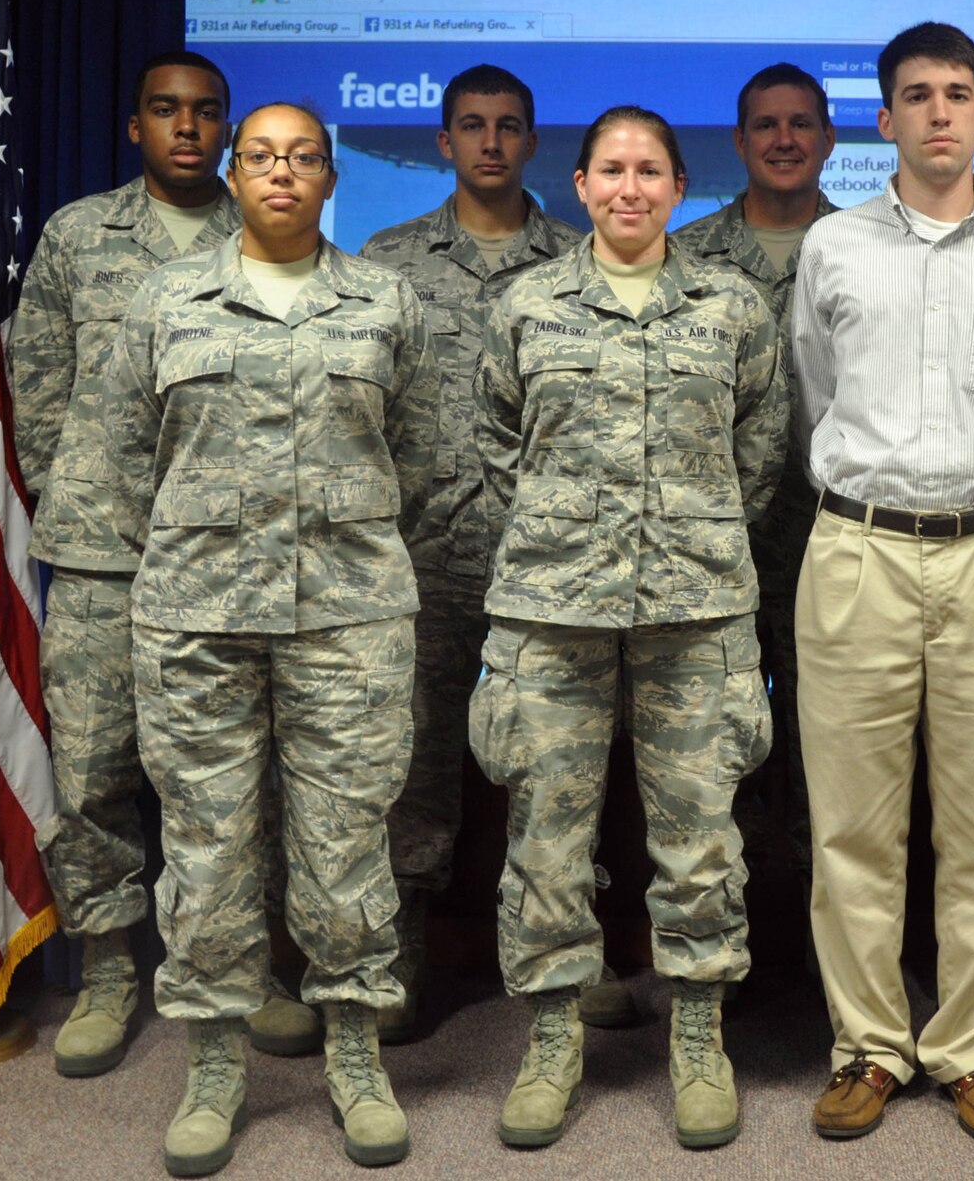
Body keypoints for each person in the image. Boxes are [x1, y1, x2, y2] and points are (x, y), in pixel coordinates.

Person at [108, 102, 438, 1175]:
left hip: (348, 615)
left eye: (302, 157)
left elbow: (423, 458)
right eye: (262, 157)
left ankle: (353, 1051)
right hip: (197, 617)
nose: (282, 172)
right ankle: (213, 1059)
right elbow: (116, 459)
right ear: (236, 175)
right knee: (206, 847)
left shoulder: (386, 300)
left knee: (345, 844)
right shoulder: (165, 300)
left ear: (330, 176)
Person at [471, 105, 786, 1152]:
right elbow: (494, 438)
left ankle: (697, 1031)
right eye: (610, 169)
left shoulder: (731, 305)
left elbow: (761, 443)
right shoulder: (526, 303)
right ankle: (554, 1033)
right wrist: (576, 530)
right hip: (551, 607)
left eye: (650, 170)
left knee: (699, 838)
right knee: (547, 839)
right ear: (579, 182)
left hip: (695, 608)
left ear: (678, 185)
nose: (629, 188)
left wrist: (683, 531)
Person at [11, 51, 319, 1077]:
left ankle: (252, 969)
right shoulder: (80, 236)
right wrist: (85, 495)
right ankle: (106, 964)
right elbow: (40, 387)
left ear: (231, 141)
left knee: (244, 776)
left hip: (241, 551)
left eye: (205, 114)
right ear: (136, 125)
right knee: (94, 766)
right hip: (108, 550)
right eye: (165, 110)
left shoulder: (276, 234)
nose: (186, 127)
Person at [792, 22, 974, 1145]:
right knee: (850, 825)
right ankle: (866, 1044)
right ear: (883, 118)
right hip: (855, 547)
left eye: (959, 92)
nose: (940, 112)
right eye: (917, 94)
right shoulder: (833, 246)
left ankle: (970, 1049)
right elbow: (818, 392)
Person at [357, 65, 594, 1041]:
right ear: (443, 140)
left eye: (508, 127)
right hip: (420, 556)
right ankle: (400, 958)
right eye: (471, 126)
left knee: (557, 766)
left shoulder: (580, 261)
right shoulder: (386, 259)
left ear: (533, 143)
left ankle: (561, 967)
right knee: (410, 764)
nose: (490, 142)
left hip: (547, 558)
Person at [672, 63, 838, 910]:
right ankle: (718, 940)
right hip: (711, 544)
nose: (784, 139)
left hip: (833, 540)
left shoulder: (867, 247)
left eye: (801, 124)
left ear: (829, 139)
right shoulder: (687, 256)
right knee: (710, 746)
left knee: (831, 750)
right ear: (739, 141)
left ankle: (824, 947)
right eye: (766, 125)